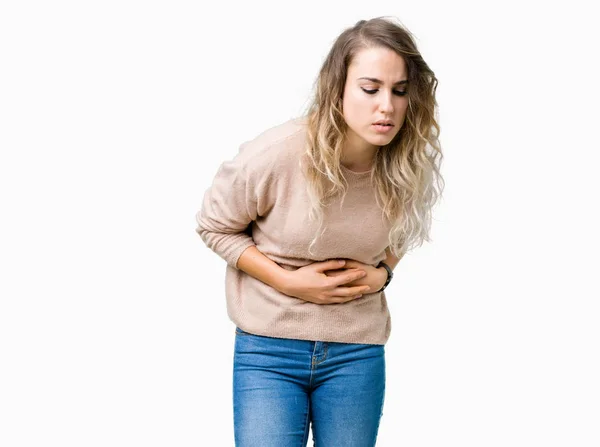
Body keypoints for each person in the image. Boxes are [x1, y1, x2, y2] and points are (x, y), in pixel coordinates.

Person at [195, 16, 443, 447]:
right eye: (370, 89)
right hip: (269, 349)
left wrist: (383, 272)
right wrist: (288, 281)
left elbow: (403, 231)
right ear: (338, 89)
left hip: (356, 352)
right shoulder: (277, 154)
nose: (387, 105)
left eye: (399, 91)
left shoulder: (403, 164)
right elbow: (215, 225)